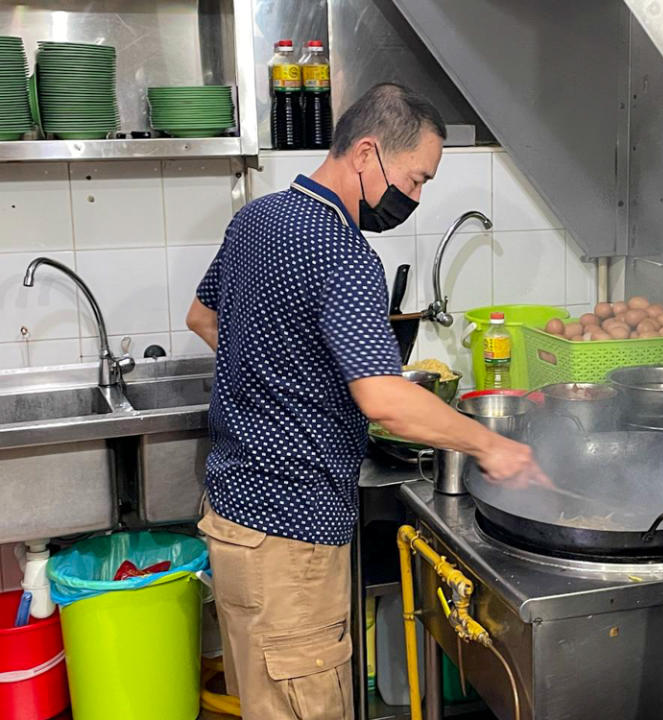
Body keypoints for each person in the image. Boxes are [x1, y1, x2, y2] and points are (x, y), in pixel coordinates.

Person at [185, 82, 547, 720]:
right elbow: (385, 399)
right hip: (290, 538)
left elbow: (203, 316)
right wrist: (492, 444)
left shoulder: (258, 219)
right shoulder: (343, 251)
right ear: (366, 153)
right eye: (415, 179)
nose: (415, 196)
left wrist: (284, 376)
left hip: (234, 523)